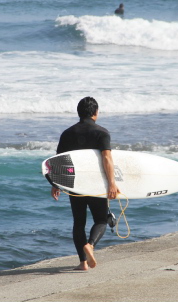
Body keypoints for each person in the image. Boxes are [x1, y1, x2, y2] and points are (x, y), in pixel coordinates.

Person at [51, 97, 120, 271]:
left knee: (78, 222)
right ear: (95, 112)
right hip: (95, 184)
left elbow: (59, 161)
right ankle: (90, 245)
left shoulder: (67, 133)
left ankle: (82, 263)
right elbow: (106, 159)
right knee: (101, 220)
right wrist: (112, 183)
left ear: (79, 112)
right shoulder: (101, 132)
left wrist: (55, 184)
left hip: (75, 184)